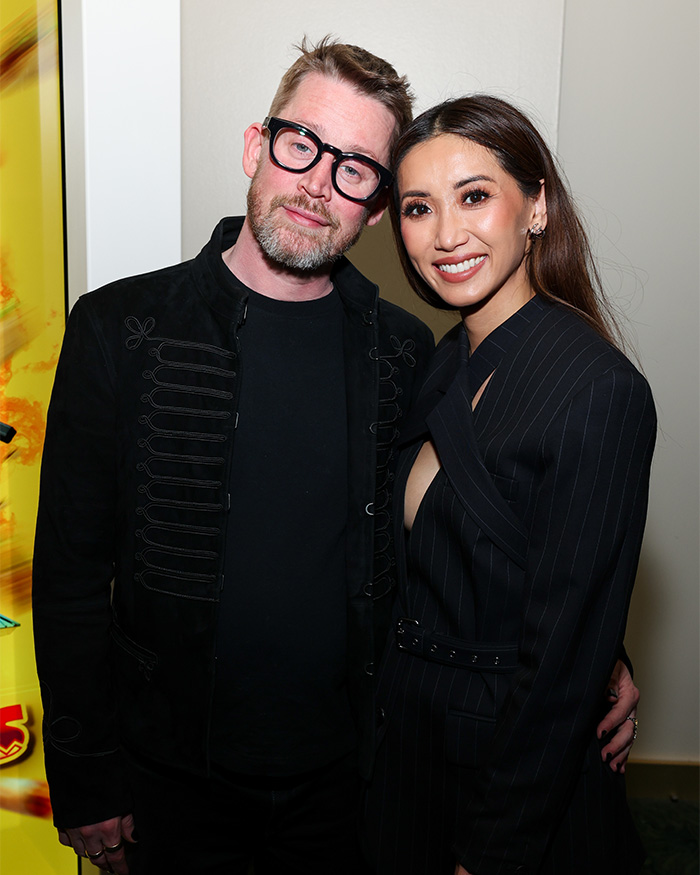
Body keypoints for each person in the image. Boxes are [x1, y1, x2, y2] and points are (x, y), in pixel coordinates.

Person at [32, 40, 638, 875]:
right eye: (301, 145)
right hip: (171, 778)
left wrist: (603, 652)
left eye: (355, 167)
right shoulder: (119, 329)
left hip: (354, 781)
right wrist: (84, 772)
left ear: (377, 209)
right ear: (257, 146)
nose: (319, 182)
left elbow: (483, 534)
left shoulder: (406, 351)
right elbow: (68, 578)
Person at [362, 95, 655, 875]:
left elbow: (559, 667)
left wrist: (493, 853)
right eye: (418, 207)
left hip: (508, 775)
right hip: (410, 751)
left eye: (474, 196)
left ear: (537, 206)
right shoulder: (443, 360)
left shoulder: (598, 389)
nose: (445, 234)